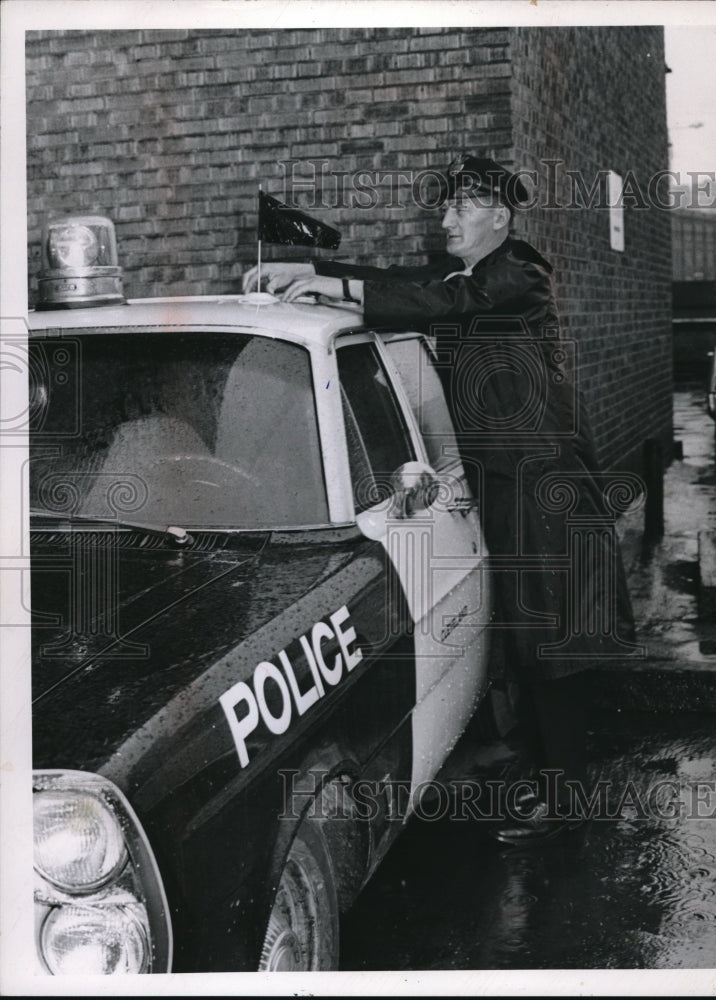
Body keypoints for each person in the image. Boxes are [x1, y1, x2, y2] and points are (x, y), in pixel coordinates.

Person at [243, 154, 637, 845]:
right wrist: (312, 278)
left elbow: (440, 302)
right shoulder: (469, 276)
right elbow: (409, 286)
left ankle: (571, 804)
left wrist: (324, 281)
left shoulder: (519, 275)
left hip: (547, 492)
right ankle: (550, 776)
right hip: (512, 486)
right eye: (445, 208)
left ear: (500, 219)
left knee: (556, 642)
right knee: (530, 641)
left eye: (461, 208)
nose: (446, 219)